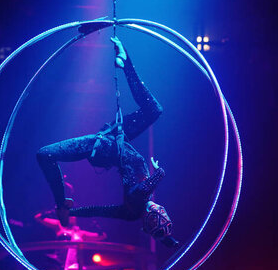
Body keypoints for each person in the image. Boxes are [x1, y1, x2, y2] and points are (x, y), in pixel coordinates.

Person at [36, 36, 178, 247]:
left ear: (151, 213)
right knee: (154, 110)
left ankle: (61, 204)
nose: (156, 207)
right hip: (119, 140)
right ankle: (124, 59)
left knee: (45, 154)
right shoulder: (132, 214)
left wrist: (159, 171)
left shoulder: (140, 199)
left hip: (104, 147)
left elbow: (148, 184)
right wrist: (74, 212)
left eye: (155, 211)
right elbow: (100, 211)